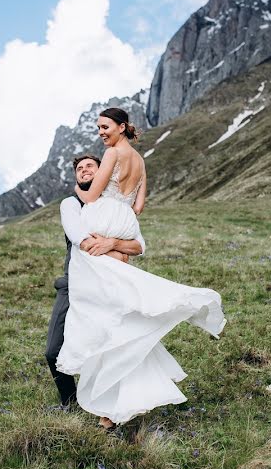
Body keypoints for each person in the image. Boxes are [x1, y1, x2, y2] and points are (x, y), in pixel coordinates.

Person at [56, 107, 226, 431]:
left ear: (121, 127)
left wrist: (80, 193)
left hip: (103, 215)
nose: (101, 132)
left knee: (99, 313)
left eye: (105, 127)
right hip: (125, 220)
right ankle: (116, 406)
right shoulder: (141, 160)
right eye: (99, 128)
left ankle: (110, 402)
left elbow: (91, 196)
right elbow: (138, 206)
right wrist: (119, 230)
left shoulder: (112, 154)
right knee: (120, 313)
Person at [45, 154, 146, 410]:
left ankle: (112, 405)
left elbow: (139, 246)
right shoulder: (71, 204)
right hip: (74, 285)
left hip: (110, 288)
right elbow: (82, 239)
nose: (84, 170)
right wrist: (118, 253)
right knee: (53, 351)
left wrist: (113, 243)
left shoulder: (115, 207)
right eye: (79, 169)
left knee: (113, 348)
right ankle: (70, 403)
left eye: (90, 166)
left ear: (102, 172)